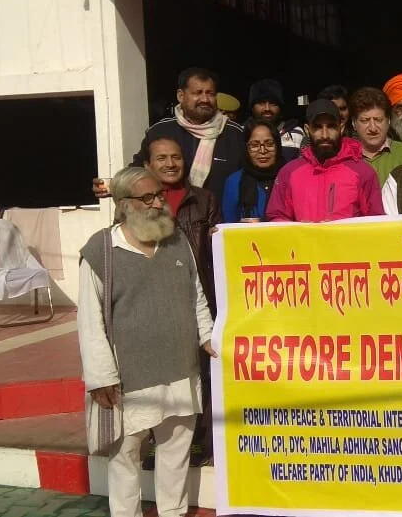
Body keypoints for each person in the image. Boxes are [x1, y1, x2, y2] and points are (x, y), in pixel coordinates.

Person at [77, 167, 216, 517]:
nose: (158, 203)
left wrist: (208, 336)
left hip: (181, 370)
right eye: (148, 198)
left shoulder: (176, 240)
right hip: (129, 380)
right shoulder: (102, 250)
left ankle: (173, 513)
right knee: (125, 457)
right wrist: (100, 377)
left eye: (159, 195)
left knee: (176, 453)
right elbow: (90, 320)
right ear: (124, 204)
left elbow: (196, 295)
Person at [141, 138, 219, 468]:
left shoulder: (204, 199)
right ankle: (157, 440)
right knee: (156, 375)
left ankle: (198, 440)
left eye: (176, 157)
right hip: (151, 301)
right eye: (162, 158)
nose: (170, 164)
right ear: (148, 165)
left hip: (196, 298)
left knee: (198, 374)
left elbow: (216, 253)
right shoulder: (138, 203)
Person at [93, 68, 244, 200]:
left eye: (210, 93)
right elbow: (138, 171)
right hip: (166, 218)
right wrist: (114, 186)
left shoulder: (234, 134)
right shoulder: (160, 131)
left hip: (220, 220)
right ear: (181, 95)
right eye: (197, 93)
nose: (205, 99)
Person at [266, 99, 384, 222]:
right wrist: (300, 229)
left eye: (331, 126)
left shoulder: (363, 172)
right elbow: (276, 219)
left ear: (341, 128)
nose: (325, 135)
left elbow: (376, 223)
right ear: (307, 130)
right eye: (317, 127)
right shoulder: (288, 173)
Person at [222, 118, 286, 223]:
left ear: (278, 146)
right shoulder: (235, 181)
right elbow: (229, 223)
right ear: (246, 148)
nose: (263, 151)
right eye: (255, 145)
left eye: (269, 144)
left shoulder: (289, 177)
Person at [350, 87, 402, 187]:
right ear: (354, 123)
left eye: (378, 120)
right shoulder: (344, 157)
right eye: (365, 121)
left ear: (389, 120)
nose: (373, 128)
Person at [246, 78, 304, 152]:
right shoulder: (240, 133)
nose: (267, 108)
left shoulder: (296, 133)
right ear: (252, 107)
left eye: (273, 103)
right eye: (261, 103)